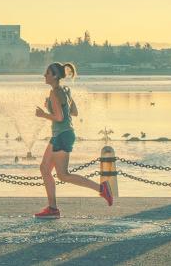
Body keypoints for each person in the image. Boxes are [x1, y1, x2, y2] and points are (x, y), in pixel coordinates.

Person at [33, 62, 113, 219]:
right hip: (61, 134)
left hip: (62, 135)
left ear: (55, 76)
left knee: (63, 175)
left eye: (47, 73)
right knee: (44, 168)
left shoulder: (55, 92)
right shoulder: (66, 90)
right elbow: (73, 112)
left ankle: (102, 189)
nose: (44, 75)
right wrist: (52, 106)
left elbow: (59, 117)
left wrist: (43, 114)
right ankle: (52, 208)